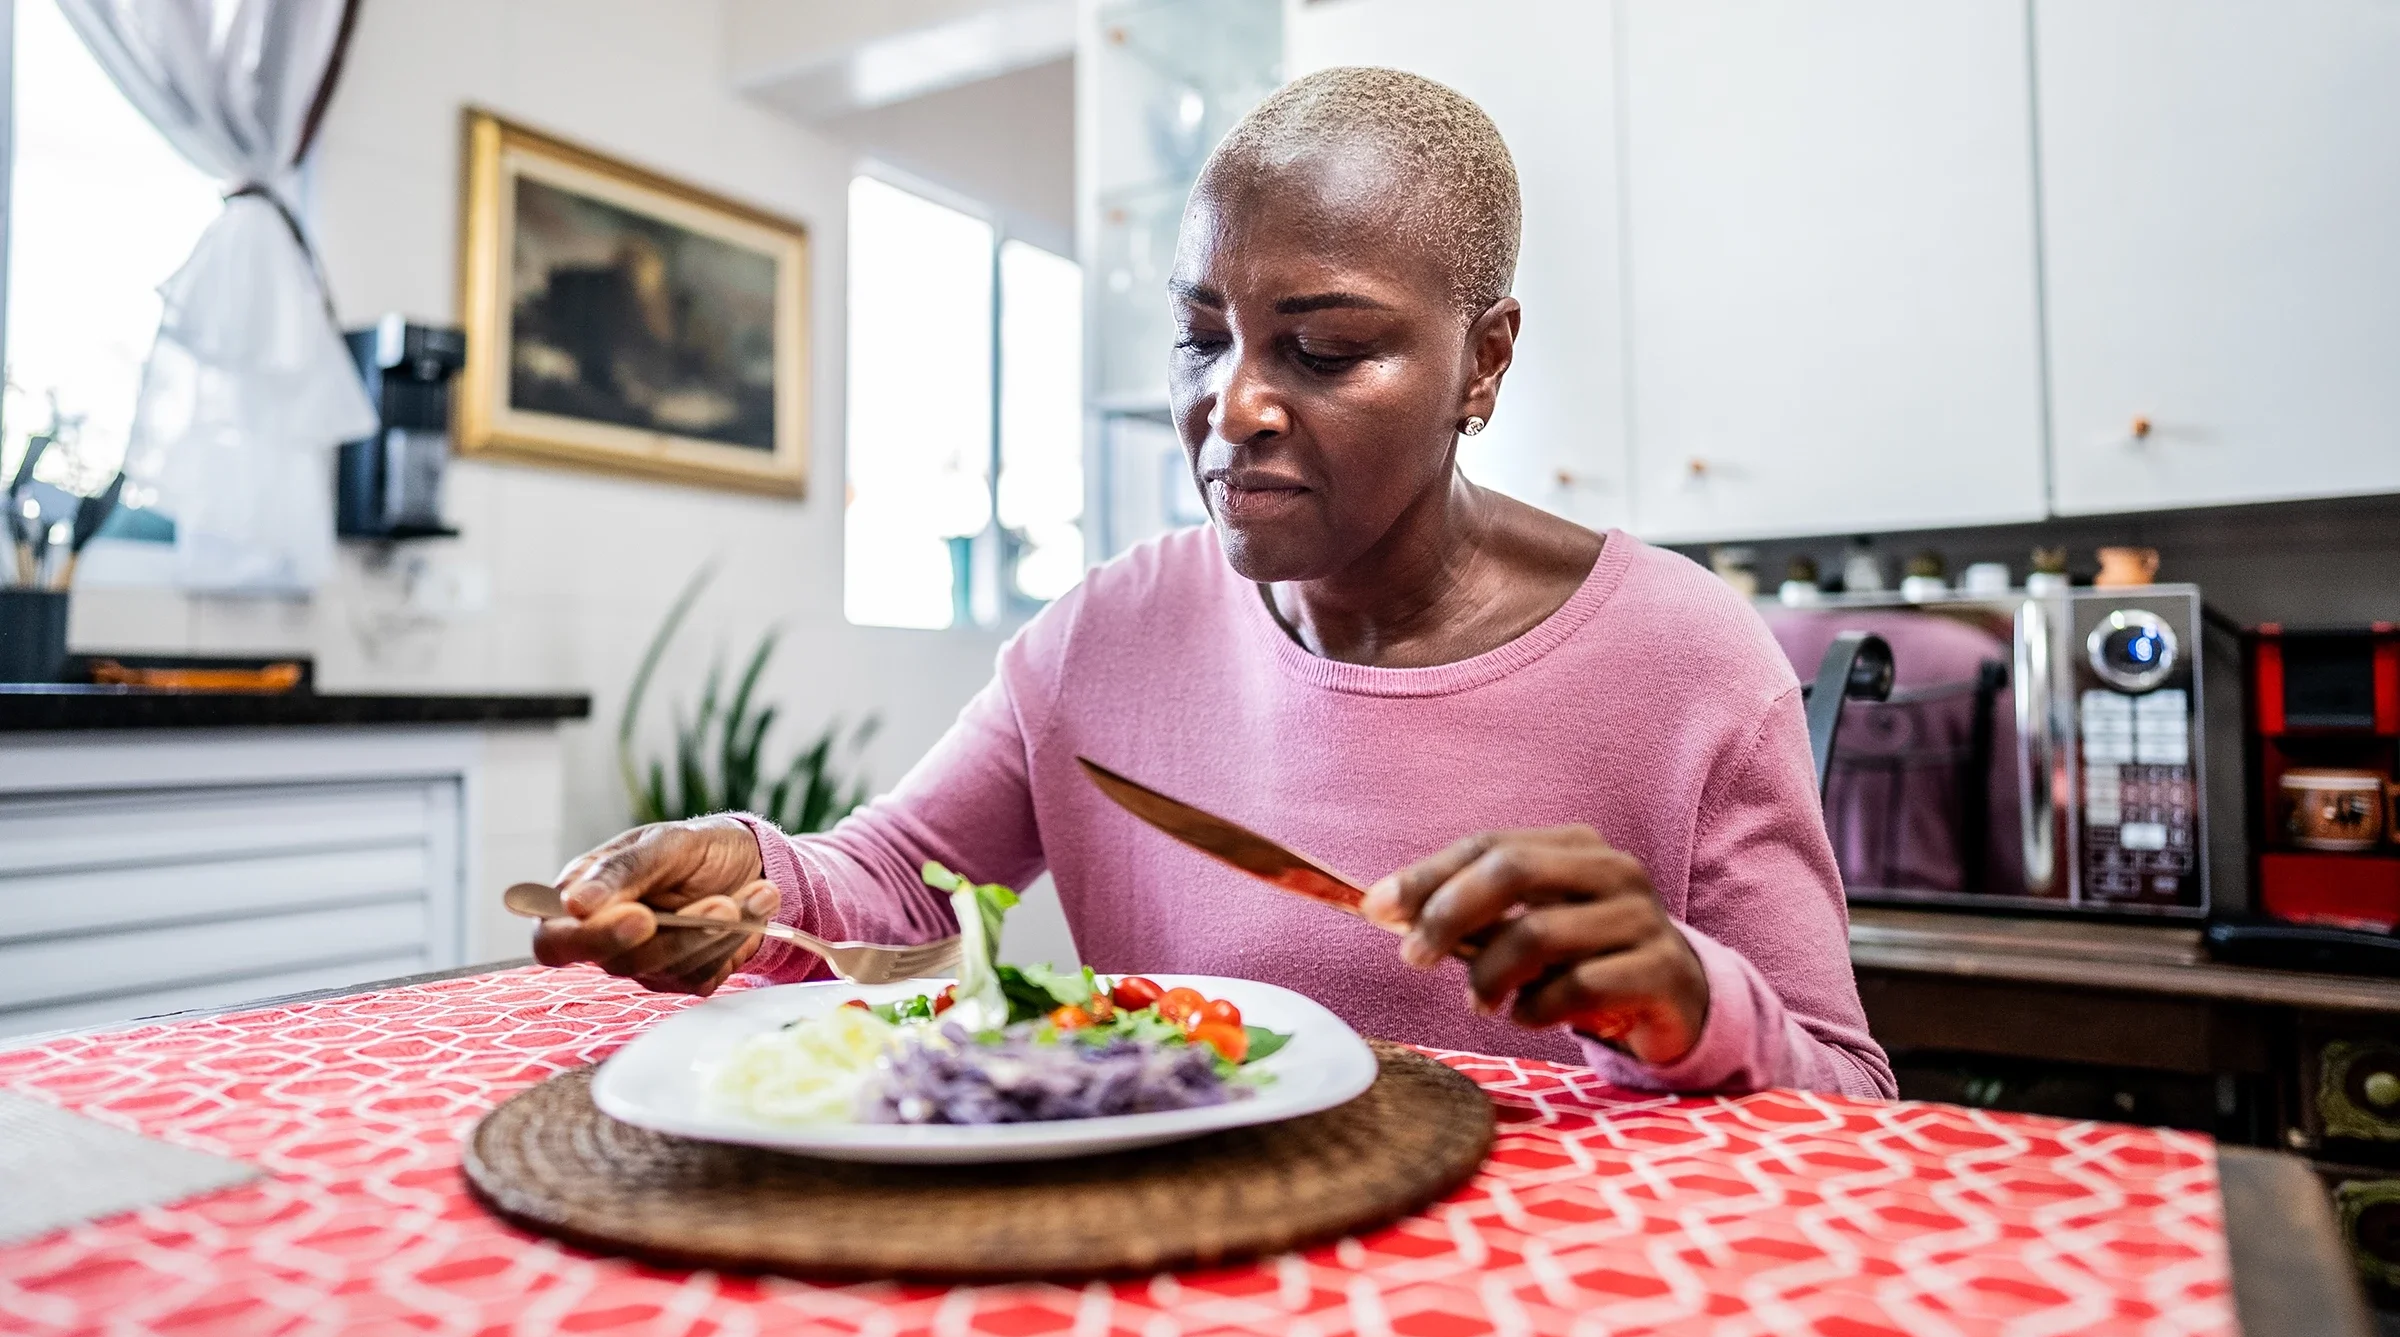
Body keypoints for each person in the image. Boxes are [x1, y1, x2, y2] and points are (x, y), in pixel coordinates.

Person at [534, 68, 1894, 1098]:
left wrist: (1690, 1001)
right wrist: (756, 876)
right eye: (1200, 336)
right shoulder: (1105, 634)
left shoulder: (1692, 660)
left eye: (1322, 350)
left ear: (1484, 361)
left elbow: (1851, 1090)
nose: (1229, 405)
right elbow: (900, 879)